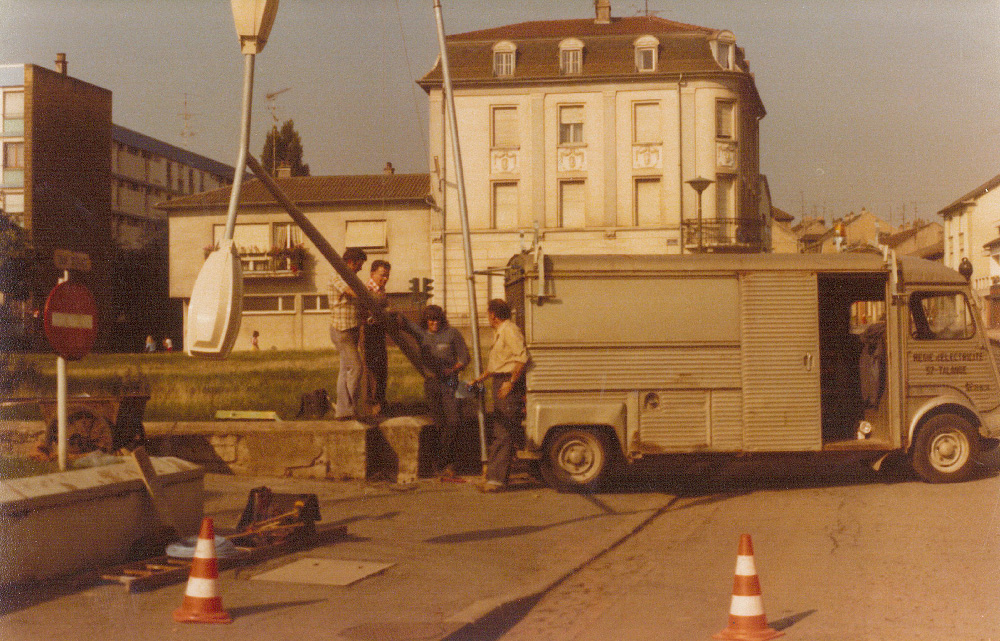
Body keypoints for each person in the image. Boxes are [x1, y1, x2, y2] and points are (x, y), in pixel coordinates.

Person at [401, 304, 470, 477]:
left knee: (454, 421)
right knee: (439, 424)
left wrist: (453, 369)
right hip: (431, 384)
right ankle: (441, 463)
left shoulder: (452, 334)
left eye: (437, 319)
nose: (434, 323)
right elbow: (405, 323)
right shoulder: (421, 335)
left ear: (442, 319)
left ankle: (446, 461)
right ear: (426, 321)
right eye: (431, 320)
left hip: (450, 383)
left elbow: (464, 358)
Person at [473, 298, 529, 493]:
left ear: (493, 315)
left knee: (504, 433)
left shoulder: (510, 330)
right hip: (500, 379)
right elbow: (497, 363)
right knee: (499, 430)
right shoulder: (500, 331)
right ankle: (494, 477)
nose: (488, 317)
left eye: (488, 313)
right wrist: (479, 379)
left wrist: (510, 382)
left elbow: (521, 358)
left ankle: (497, 481)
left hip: (507, 382)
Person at [329, 247, 368, 419]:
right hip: (341, 330)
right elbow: (355, 293)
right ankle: (348, 410)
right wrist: (371, 296)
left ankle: (343, 411)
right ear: (351, 262)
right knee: (356, 368)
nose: (361, 268)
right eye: (359, 264)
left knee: (345, 370)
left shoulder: (351, 278)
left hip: (351, 328)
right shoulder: (338, 277)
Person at [361, 260, 391, 415]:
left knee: (382, 367)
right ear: (372, 274)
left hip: (378, 331)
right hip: (368, 330)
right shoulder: (368, 289)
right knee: (371, 368)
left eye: (387, 275)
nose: (385, 278)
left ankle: (380, 401)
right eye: (382, 275)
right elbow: (365, 313)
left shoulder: (381, 289)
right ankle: (370, 404)